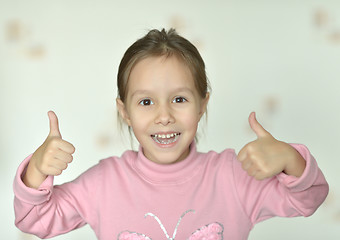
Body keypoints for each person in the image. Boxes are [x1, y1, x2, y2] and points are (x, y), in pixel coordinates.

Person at [13, 28, 329, 240]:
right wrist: (37, 170)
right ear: (124, 111)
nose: (164, 116)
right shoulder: (104, 183)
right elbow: (34, 219)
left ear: (203, 103)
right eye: (146, 102)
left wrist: (290, 158)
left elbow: (309, 199)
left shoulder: (235, 176)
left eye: (179, 99)